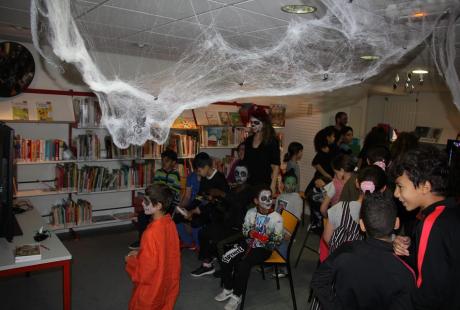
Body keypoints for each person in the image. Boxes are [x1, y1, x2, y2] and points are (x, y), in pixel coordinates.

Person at [311, 192, 415, 310]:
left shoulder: (345, 249)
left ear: (362, 225)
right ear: (396, 223)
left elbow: (319, 280)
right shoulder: (405, 272)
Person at [392, 145, 460, 310]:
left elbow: (427, 294)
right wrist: (413, 247)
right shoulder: (450, 212)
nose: (395, 193)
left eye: (400, 186)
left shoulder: (432, 224)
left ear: (425, 187)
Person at [215, 187, 283, 310]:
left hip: (264, 249)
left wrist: (266, 239)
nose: (268, 201)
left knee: (243, 265)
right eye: (264, 198)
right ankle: (229, 288)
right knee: (225, 257)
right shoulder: (251, 212)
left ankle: (237, 296)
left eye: (270, 198)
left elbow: (277, 241)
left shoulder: (276, 218)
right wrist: (250, 232)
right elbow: (245, 229)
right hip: (247, 244)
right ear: (256, 201)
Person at [190, 164, 254, 277]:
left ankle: (228, 268)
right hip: (228, 224)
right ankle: (207, 265)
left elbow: (238, 204)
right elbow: (225, 207)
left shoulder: (249, 190)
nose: (239, 176)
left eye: (242, 174)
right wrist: (214, 200)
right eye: (236, 173)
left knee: (217, 239)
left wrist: (221, 193)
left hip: (239, 228)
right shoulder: (234, 188)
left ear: (248, 176)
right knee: (204, 232)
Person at [125, 184, 181, 310]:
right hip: (167, 282)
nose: (143, 204)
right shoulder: (169, 223)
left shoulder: (150, 233)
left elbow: (145, 272)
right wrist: (141, 252)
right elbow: (166, 251)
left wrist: (130, 261)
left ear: (158, 206)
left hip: (152, 288)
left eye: (146, 201)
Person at [322, 165, 387, 251]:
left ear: (357, 183)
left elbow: (327, 237)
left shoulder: (340, 208)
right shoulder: (383, 216)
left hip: (337, 260)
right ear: (383, 189)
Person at [130, 149, 181, 250]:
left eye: (166, 161)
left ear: (173, 162)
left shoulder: (175, 176)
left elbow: (173, 193)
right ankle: (142, 239)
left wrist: (161, 198)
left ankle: (161, 242)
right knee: (142, 215)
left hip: (168, 204)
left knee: (162, 219)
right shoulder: (158, 173)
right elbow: (154, 188)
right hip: (156, 202)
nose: (163, 163)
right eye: (162, 160)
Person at [243, 105, 280, 193]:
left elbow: (276, 165)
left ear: (264, 123)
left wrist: (273, 185)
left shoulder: (271, 141)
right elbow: (246, 162)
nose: (253, 125)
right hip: (249, 183)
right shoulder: (248, 140)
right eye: (251, 122)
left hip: (264, 184)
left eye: (256, 122)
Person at [176, 161, 201, 250]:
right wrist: (180, 206)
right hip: (191, 204)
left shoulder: (206, 179)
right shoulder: (191, 176)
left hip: (200, 206)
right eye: (196, 169)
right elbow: (187, 196)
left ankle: (198, 245)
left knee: (196, 220)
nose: (198, 171)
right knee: (177, 217)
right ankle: (188, 242)